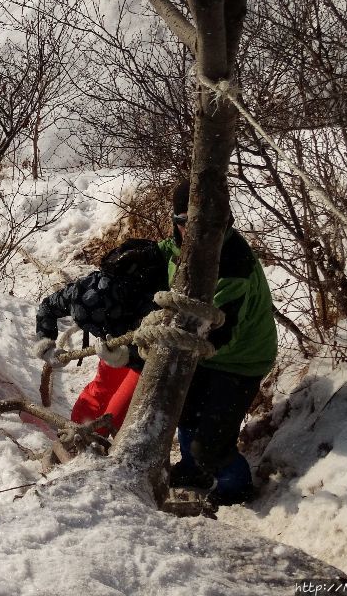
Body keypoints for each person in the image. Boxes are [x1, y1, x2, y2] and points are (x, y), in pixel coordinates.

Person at [156, 179, 278, 507]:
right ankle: (194, 470)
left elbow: (219, 332)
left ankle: (236, 489)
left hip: (241, 360)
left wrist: (171, 337)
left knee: (211, 443)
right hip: (204, 354)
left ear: (224, 224)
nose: (192, 233)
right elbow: (167, 257)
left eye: (206, 225)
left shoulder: (232, 264)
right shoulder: (179, 248)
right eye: (183, 223)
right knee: (185, 412)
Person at [33, 239, 167, 435]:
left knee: (117, 414)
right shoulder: (79, 291)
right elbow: (46, 308)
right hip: (113, 343)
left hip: (143, 351)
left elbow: (158, 346)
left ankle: (107, 446)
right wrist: (46, 345)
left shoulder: (146, 304)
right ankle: (79, 438)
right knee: (89, 409)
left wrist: (125, 356)